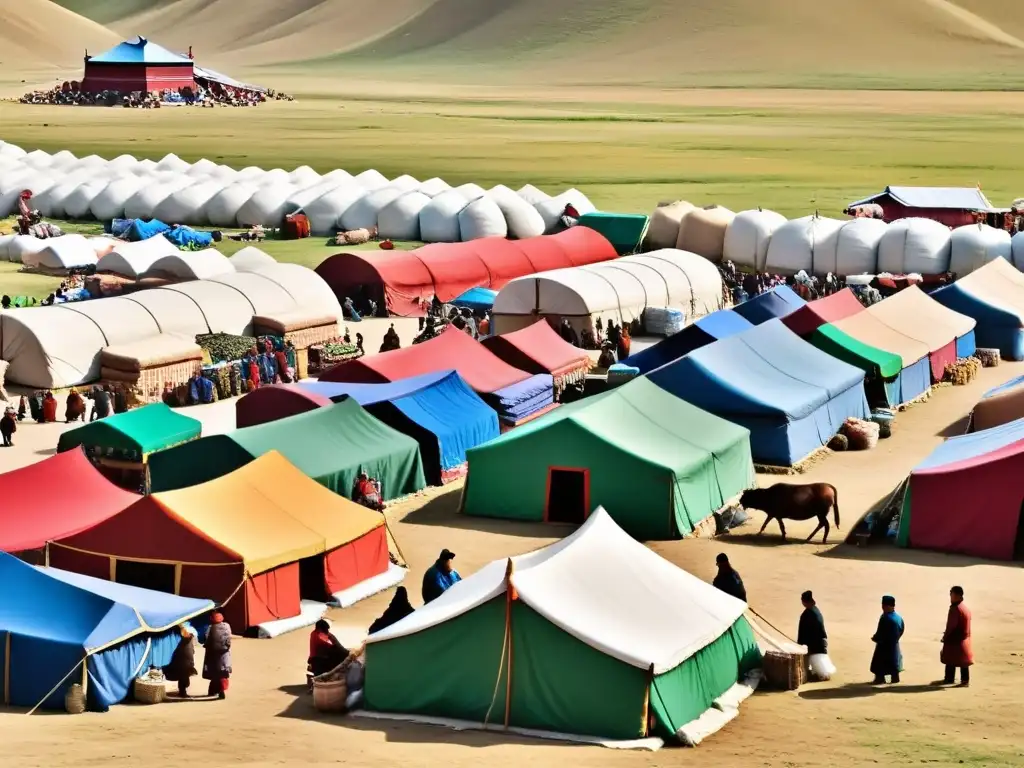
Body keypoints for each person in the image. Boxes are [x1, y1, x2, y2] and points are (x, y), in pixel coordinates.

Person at [940, 586, 972, 687]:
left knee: (950, 658)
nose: (950, 596)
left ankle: (949, 679)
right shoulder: (965, 608)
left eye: (951, 593)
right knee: (963, 661)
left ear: (957, 595)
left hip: (954, 638)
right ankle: (964, 680)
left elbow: (951, 625)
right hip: (964, 638)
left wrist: (945, 637)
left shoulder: (955, 608)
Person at [870, 595, 905, 684]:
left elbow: (880, 632)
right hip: (895, 644)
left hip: (884, 645)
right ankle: (895, 678)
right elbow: (902, 629)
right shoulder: (898, 617)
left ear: (889, 606)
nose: (883, 607)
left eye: (884, 605)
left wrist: (876, 638)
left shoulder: (885, 618)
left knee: (880, 664)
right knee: (894, 663)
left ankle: (880, 679)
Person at [203, 612, 232, 699]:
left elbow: (205, 639)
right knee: (223, 673)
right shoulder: (227, 626)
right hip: (224, 653)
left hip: (212, 654)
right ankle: (221, 690)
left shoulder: (209, 627)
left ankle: (213, 691)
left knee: (214, 673)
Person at [164, 625, 197, 698]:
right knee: (185, 674)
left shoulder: (174, 634)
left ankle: (181, 691)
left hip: (177, 657)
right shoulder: (190, 635)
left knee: (179, 672)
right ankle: (183, 691)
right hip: (187, 659)